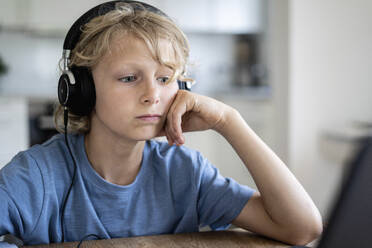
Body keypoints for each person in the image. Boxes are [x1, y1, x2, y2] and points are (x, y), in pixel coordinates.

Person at [0, 1, 322, 246]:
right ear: (82, 89)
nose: (152, 95)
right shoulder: (38, 176)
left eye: (165, 78)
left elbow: (302, 227)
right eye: (129, 78)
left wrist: (228, 120)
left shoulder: (185, 174)